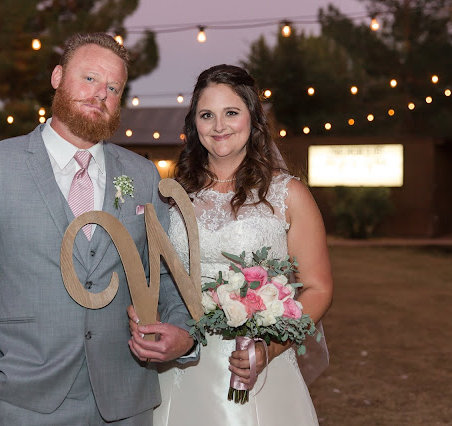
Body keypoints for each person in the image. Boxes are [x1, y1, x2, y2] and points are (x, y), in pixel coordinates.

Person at [0, 32, 195, 425]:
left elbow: (162, 272)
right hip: (26, 396)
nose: (100, 94)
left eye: (113, 87)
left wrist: (182, 332)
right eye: (89, 78)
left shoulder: (142, 174)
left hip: (127, 398)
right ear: (57, 77)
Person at [138, 64, 334, 425]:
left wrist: (268, 348)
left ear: (252, 118)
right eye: (206, 115)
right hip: (182, 363)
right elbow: (157, 279)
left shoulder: (288, 194)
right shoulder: (172, 196)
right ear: (194, 125)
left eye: (231, 112)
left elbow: (319, 288)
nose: (219, 126)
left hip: (258, 365)